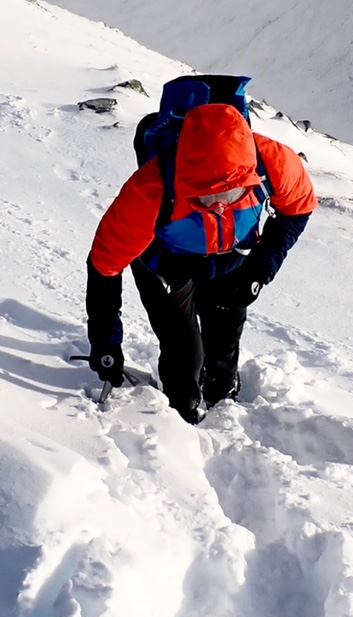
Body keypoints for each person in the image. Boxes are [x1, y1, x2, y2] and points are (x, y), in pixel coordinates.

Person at [85, 96, 317, 423]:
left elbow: (300, 208)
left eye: (232, 193)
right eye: (205, 195)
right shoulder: (150, 189)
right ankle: (181, 420)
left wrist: (261, 267)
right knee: (184, 354)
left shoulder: (272, 161)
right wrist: (106, 342)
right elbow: (104, 265)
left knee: (222, 351)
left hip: (231, 260)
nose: (220, 205)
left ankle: (222, 401)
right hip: (164, 265)